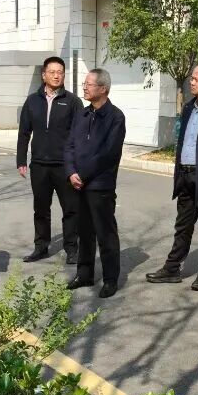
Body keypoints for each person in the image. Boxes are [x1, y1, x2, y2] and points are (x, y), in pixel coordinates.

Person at [146, 63, 198, 291]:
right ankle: (172, 268)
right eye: (191, 78)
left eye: (196, 78)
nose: (191, 81)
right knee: (182, 225)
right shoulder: (188, 108)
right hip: (185, 175)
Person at [64, 69, 127, 299]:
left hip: (100, 186)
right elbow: (69, 145)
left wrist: (82, 174)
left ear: (103, 88)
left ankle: (110, 279)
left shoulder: (115, 117)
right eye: (84, 83)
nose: (84, 87)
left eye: (89, 84)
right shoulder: (82, 114)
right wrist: (71, 172)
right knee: (84, 232)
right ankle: (84, 274)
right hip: (78, 184)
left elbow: (108, 154)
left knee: (105, 234)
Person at [16, 56, 85, 264]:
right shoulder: (32, 101)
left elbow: (81, 135)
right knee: (41, 209)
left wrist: (78, 165)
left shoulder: (72, 102)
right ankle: (41, 247)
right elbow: (24, 132)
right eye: (52, 72)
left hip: (65, 166)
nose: (56, 76)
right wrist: (21, 160)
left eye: (60, 72)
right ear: (43, 75)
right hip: (39, 165)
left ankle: (72, 249)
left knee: (70, 209)